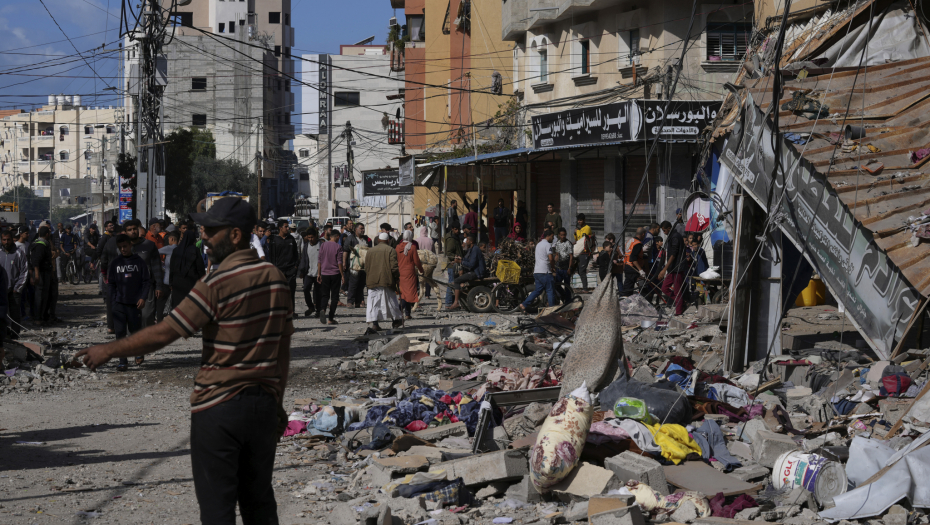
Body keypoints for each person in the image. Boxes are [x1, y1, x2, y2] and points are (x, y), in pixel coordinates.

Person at [75, 197, 293, 524]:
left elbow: (166, 332)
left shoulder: (217, 283)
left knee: (217, 508)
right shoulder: (275, 278)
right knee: (259, 503)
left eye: (212, 230)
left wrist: (107, 350)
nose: (204, 236)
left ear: (235, 235)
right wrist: (276, 401)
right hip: (263, 407)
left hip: (219, 408)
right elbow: (283, 348)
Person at [108, 234, 151, 372]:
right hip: (119, 304)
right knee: (120, 333)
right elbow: (111, 284)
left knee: (135, 331)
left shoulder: (139, 262)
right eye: (120, 247)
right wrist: (113, 302)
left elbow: (146, 281)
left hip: (134, 304)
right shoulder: (115, 263)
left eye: (125, 246)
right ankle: (122, 361)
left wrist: (143, 297)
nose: (123, 249)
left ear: (130, 245)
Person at [365, 232, 403, 333]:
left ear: (378, 240)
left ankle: (375, 324)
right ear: (388, 241)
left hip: (372, 280)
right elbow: (394, 267)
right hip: (386, 280)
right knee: (390, 301)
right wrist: (397, 277)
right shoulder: (391, 250)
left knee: (374, 303)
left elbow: (366, 267)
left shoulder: (370, 251)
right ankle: (395, 321)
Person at [169, 220, 206, 309]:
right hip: (191, 283)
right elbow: (200, 268)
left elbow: (172, 268)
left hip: (177, 283)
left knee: (178, 308)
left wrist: (171, 283)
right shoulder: (195, 250)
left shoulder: (176, 250)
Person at [266, 219, 300, 316]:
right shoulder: (274, 240)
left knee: (291, 291)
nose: (288, 228)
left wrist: (295, 266)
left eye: (288, 226)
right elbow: (272, 256)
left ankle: (291, 311)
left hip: (290, 270)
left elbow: (295, 254)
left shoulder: (291, 239)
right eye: (286, 226)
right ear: (280, 228)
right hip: (279, 270)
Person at [520, 229, 556, 311]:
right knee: (550, 291)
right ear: (548, 236)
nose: (553, 239)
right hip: (545, 271)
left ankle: (524, 304)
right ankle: (552, 310)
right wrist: (553, 267)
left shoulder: (538, 244)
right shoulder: (547, 245)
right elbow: (551, 258)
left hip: (537, 271)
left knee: (537, 290)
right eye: (552, 237)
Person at [0, 229, 27, 339]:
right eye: (4, 240)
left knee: (15, 314)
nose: (6, 242)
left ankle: (15, 334)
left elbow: (24, 271)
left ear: (12, 240)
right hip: (1, 291)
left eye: (8, 240)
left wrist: (17, 287)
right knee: (2, 315)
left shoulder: (19, 253)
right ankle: (3, 334)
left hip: (14, 289)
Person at [448, 235, 486, 310]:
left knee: (457, 281)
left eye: (467, 240)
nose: (466, 242)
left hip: (477, 272)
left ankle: (456, 302)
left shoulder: (475, 249)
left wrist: (460, 262)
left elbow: (471, 264)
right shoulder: (472, 249)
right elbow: (469, 260)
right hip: (474, 271)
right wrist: (460, 260)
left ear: (471, 241)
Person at [658, 220, 687, 316]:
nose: (664, 233)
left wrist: (664, 269)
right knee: (664, 288)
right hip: (672, 268)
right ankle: (681, 302)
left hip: (677, 267)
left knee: (677, 290)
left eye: (664, 230)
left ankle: (679, 311)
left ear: (669, 228)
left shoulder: (675, 237)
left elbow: (673, 255)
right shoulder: (671, 237)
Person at [30, 226, 58, 326]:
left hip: (45, 273)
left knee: (44, 296)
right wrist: (37, 275)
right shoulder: (40, 245)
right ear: (47, 234)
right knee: (40, 297)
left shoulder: (42, 244)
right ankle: (38, 318)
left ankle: (42, 317)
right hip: (41, 274)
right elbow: (35, 262)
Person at [317, 230, 345, 325]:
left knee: (325, 295)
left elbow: (319, 260)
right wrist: (342, 275)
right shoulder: (338, 247)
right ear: (337, 236)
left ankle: (323, 310)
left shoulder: (323, 245)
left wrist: (319, 274)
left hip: (324, 274)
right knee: (334, 297)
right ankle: (330, 318)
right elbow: (339, 262)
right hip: (335, 274)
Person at [342, 223, 372, 309]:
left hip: (364, 266)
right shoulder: (350, 239)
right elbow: (345, 251)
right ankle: (350, 301)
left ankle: (358, 302)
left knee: (361, 284)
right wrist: (344, 262)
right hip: (354, 266)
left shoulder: (366, 239)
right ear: (356, 229)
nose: (363, 230)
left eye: (363, 228)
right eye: (361, 228)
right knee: (353, 284)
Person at [396, 230, 424, 320]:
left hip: (400, 272)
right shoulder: (412, 247)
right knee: (409, 293)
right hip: (410, 273)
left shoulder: (397, 247)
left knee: (404, 293)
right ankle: (398, 309)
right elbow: (416, 261)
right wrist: (421, 270)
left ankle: (407, 314)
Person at [298, 227, 321, 317]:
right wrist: (301, 271)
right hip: (308, 273)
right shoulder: (306, 246)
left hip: (319, 273)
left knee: (318, 292)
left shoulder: (321, 245)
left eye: (312, 237)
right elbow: (303, 259)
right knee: (305, 289)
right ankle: (311, 307)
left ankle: (318, 310)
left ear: (316, 236)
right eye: (309, 237)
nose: (310, 239)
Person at [157, 231, 180, 320]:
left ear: (171, 239)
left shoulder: (169, 248)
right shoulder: (181, 249)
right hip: (177, 281)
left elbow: (155, 251)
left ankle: (159, 322)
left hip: (166, 281)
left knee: (161, 302)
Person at [622, 227, 648, 297]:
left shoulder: (630, 241)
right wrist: (640, 270)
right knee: (643, 287)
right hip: (633, 268)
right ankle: (645, 303)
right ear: (643, 234)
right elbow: (633, 258)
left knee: (628, 288)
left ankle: (625, 301)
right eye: (645, 235)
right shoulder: (638, 243)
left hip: (627, 266)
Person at [551, 227, 574, 304]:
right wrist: (553, 264)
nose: (563, 236)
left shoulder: (568, 243)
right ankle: (563, 296)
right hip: (559, 267)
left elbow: (571, 256)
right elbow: (557, 255)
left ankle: (568, 301)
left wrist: (570, 268)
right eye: (561, 235)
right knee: (557, 284)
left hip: (566, 267)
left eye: (564, 235)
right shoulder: (557, 243)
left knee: (567, 286)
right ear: (559, 235)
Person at [443, 225, 463, 308]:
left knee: (453, 283)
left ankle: (451, 302)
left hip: (454, 263)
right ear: (452, 229)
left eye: (458, 229)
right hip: (452, 264)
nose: (457, 230)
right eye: (455, 229)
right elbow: (449, 252)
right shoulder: (451, 239)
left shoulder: (455, 237)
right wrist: (455, 258)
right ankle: (448, 303)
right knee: (451, 283)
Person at [574, 214, 594, 292]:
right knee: (579, 270)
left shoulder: (587, 228)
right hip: (579, 252)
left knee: (582, 270)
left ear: (584, 220)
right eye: (578, 220)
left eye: (581, 220)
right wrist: (575, 233)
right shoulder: (578, 229)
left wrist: (577, 231)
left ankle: (585, 288)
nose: (579, 222)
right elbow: (576, 239)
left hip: (585, 252)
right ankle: (584, 287)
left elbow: (582, 237)